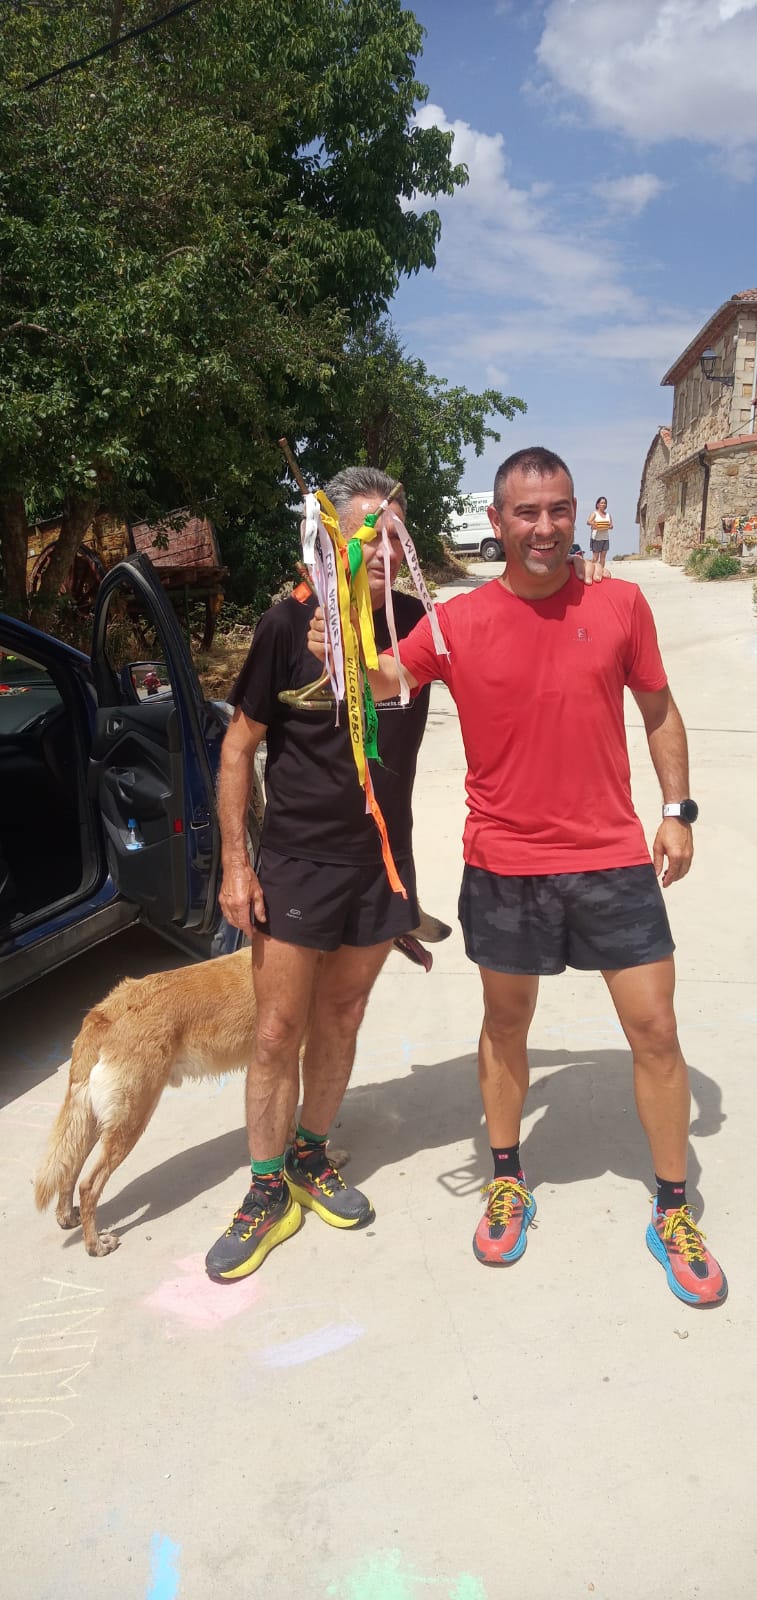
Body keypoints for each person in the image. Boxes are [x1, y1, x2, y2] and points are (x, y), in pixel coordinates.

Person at [308, 446, 726, 1308]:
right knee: (505, 1026)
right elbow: (382, 680)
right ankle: (506, 1179)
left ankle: (673, 1208)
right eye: (526, 513)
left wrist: (676, 810)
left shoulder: (619, 604)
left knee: (654, 1030)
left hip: (611, 858)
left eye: (558, 510)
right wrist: (339, 629)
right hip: (504, 864)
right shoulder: (456, 621)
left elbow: (657, 708)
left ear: (577, 515)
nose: (544, 528)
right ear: (496, 522)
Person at [204, 467, 432, 1282]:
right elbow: (237, 748)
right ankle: (265, 1189)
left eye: (394, 535)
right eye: (366, 534)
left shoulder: (419, 623)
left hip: (381, 863)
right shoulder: (286, 622)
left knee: (342, 1015)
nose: (382, 550)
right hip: (297, 861)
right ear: (330, 537)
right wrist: (236, 864)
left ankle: (309, 1155)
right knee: (276, 1032)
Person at [587, 495, 613, 570]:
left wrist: (610, 526)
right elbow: (588, 522)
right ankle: (591, 570)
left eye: (605, 503)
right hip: (596, 538)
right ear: (598, 504)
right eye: (602, 503)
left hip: (605, 538)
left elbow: (611, 525)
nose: (603, 504)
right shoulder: (594, 513)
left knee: (603, 557)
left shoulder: (608, 515)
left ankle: (600, 572)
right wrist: (594, 524)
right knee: (595, 558)